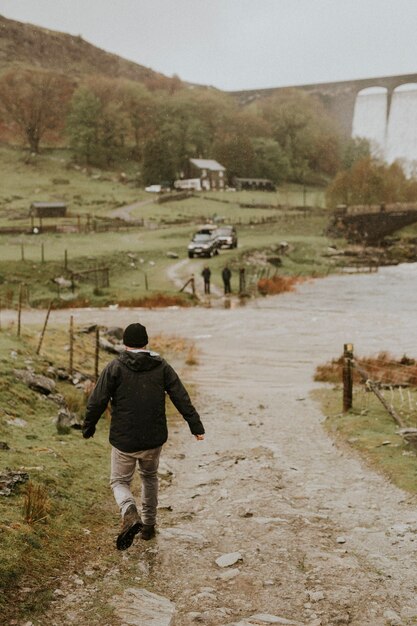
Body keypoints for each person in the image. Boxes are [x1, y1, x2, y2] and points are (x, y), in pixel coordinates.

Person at [82, 322, 205, 551]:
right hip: (153, 439)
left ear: (125, 343)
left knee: (119, 481)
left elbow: (97, 399)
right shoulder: (161, 366)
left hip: (124, 440)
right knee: (149, 477)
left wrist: (88, 426)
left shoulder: (115, 367)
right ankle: (148, 526)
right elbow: (180, 395)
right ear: (146, 343)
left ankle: (129, 511)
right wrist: (195, 425)